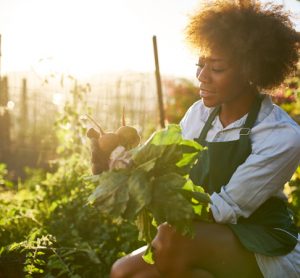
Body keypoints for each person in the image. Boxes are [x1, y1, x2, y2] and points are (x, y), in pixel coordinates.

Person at [91, 1, 300, 277]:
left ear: (251, 71)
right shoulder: (200, 114)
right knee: (123, 272)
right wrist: (120, 164)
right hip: (201, 235)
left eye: (216, 68)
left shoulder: (280, 135)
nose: (202, 77)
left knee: (172, 238)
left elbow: (223, 210)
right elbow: (163, 164)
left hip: (260, 243)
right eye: (200, 65)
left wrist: (148, 189)